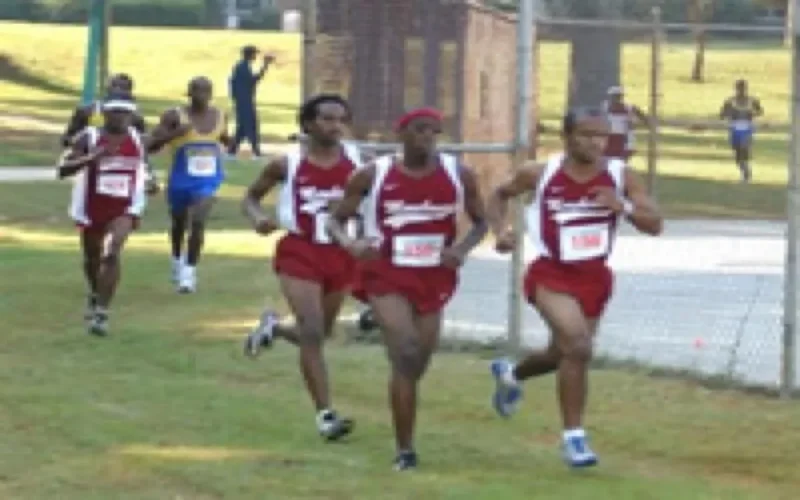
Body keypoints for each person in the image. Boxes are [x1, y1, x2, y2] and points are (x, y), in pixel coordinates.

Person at [485, 107, 663, 468]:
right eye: (586, 134)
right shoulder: (539, 173)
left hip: (594, 277)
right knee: (579, 346)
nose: (596, 143)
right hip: (551, 273)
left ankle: (511, 374)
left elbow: (655, 224)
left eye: (602, 136)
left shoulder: (621, 175)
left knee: (562, 354)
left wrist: (622, 207)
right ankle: (574, 439)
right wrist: (501, 231)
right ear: (567, 137)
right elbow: (498, 195)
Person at [326, 107, 488, 471]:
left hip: (433, 274)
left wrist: (461, 250)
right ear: (401, 134)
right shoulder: (372, 174)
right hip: (386, 271)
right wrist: (351, 244)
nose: (427, 137)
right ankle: (405, 450)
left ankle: (381, 329)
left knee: (416, 363)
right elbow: (334, 220)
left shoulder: (459, 173)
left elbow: (481, 223)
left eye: (434, 131)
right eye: (419, 129)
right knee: (405, 352)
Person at [241, 94, 362, 441]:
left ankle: (276, 329)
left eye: (341, 119)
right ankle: (326, 415)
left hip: (340, 254)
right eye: (326, 118)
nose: (335, 126)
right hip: (301, 251)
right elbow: (250, 197)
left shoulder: (358, 162)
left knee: (320, 333)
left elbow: (377, 199)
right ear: (308, 124)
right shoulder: (287, 163)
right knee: (311, 331)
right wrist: (259, 218)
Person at [58, 93, 149, 336]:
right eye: (115, 111)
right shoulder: (88, 137)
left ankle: (101, 313)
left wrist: (151, 181)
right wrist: (90, 158)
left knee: (112, 251)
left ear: (132, 115)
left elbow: (145, 165)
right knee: (92, 258)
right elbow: (62, 169)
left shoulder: (138, 140)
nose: (120, 117)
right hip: (91, 207)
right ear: (105, 113)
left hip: (125, 207)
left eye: (125, 112)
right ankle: (95, 293)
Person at [148, 76, 229, 293]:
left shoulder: (220, 115)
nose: (201, 96)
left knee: (199, 221)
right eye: (197, 91)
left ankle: (189, 273)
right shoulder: (174, 116)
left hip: (208, 180)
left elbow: (224, 138)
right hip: (180, 179)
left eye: (206, 92)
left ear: (211, 94)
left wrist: (229, 143)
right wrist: (174, 134)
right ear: (189, 93)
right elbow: (150, 145)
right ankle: (177, 259)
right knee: (179, 224)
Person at [60, 74, 159, 195]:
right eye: (115, 86)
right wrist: (87, 147)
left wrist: (149, 175)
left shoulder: (135, 117)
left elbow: (142, 149)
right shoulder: (87, 111)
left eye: (124, 88)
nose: (119, 90)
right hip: (91, 168)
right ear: (108, 89)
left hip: (124, 170)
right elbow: (67, 139)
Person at [228, 45, 274, 158]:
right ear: (250, 54)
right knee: (251, 125)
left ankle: (232, 149)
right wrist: (265, 65)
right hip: (244, 101)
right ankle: (256, 150)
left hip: (243, 100)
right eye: (254, 54)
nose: (255, 56)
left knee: (242, 128)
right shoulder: (242, 67)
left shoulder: (242, 66)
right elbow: (252, 81)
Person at [720, 79, 763, 183]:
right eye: (739, 88)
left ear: (746, 89)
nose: (741, 91)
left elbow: (760, 111)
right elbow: (722, 115)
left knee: (744, 151)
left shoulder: (752, 101)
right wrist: (728, 114)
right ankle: (745, 171)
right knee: (738, 154)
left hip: (747, 130)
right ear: (736, 89)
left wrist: (754, 113)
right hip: (735, 130)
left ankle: (746, 174)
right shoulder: (730, 101)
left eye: (743, 88)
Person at [600, 86, 649, 161]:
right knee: (607, 159)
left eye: (618, 96)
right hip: (609, 137)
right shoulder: (605, 107)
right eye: (614, 96)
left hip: (623, 138)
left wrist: (636, 124)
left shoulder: (629, 107)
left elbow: (644, 118)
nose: (616, 98)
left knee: (620, 159)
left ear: (621, 97)